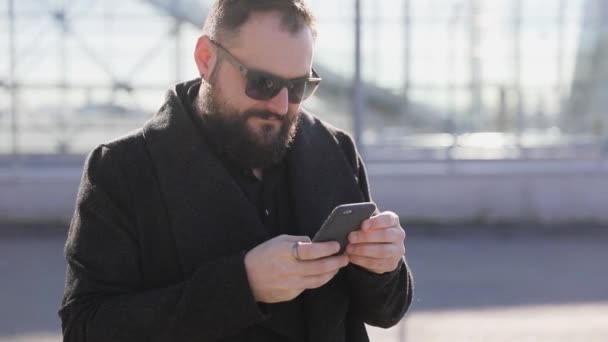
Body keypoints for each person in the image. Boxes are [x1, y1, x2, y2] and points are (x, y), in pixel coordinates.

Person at [59, 0, 413, 341]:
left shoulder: (335, 150)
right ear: (206, 59)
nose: (279, 105)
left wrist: (383, 267)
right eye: (262, 83)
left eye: (298, 87)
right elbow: (85, 329)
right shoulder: (122, 170)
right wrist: (242, 286)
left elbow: (387, 311)